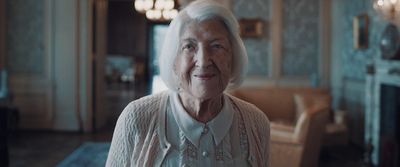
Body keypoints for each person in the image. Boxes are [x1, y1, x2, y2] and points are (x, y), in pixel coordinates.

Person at [106, 0, 270, 166]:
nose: (203, 61)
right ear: (174, 61)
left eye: (217, 46)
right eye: (189, 46)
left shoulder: (256, 123)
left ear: (232, 58)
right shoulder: (136, 118)